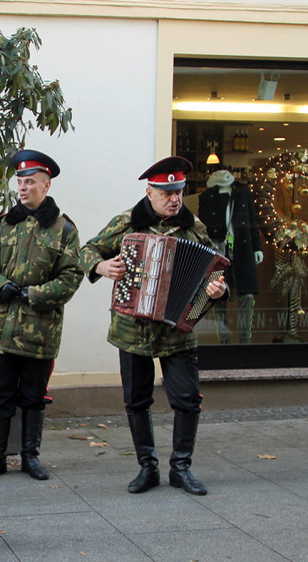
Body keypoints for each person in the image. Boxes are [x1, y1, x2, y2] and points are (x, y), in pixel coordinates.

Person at [79, 156, 228, 496]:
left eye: (178, 191)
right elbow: (87, 250)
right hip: (132, 330)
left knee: (187, 400)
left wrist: (217, 289)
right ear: (149, 192)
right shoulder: (127, 223)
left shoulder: (194, 228)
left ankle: (181, 468)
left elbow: (215, 271)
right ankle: (147, 468)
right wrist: (102, 266)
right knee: (136, 400)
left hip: (176, 332)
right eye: (166, 192)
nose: (174, 198)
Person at [0, 150, 83, 481]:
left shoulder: (63, 230)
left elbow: (71, 275)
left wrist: (35, 294)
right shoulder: (3, 225)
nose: (22, 188)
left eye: (30, 182)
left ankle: (30, 456)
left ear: (46, 186)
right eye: (19, 182)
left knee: (33, 397)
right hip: (1, 327)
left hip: (40, 329)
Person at [198, 169, 263, 344]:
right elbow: (204, 228)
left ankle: (245, 338)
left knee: (247, 295)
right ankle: (224, 339)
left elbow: (252, 220)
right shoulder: (207, 197)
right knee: (218, 295)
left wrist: (257, 248)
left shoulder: (243, 193)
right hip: (218, 248)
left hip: (242, 247)